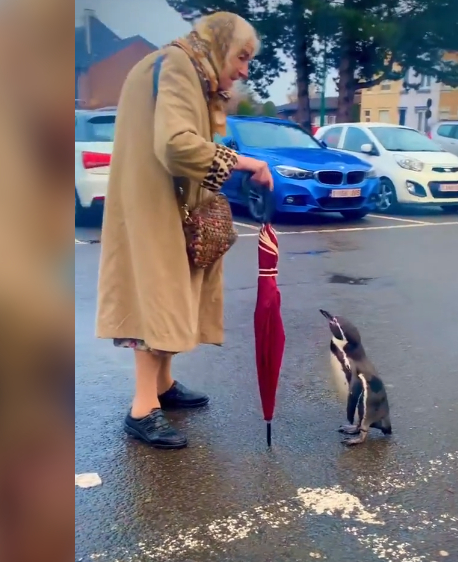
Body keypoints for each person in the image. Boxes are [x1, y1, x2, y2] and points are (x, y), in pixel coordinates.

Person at [95, 13, 273, 450]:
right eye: (243, 57)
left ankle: (163, 384)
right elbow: (176, 144)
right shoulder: (177, 65)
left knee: (173, 296)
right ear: (219, 44)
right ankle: (142, 407)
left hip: (167, 202)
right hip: (155, 206)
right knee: (155, 299)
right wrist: (246, 164)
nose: (246, 69)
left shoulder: (187, 67)